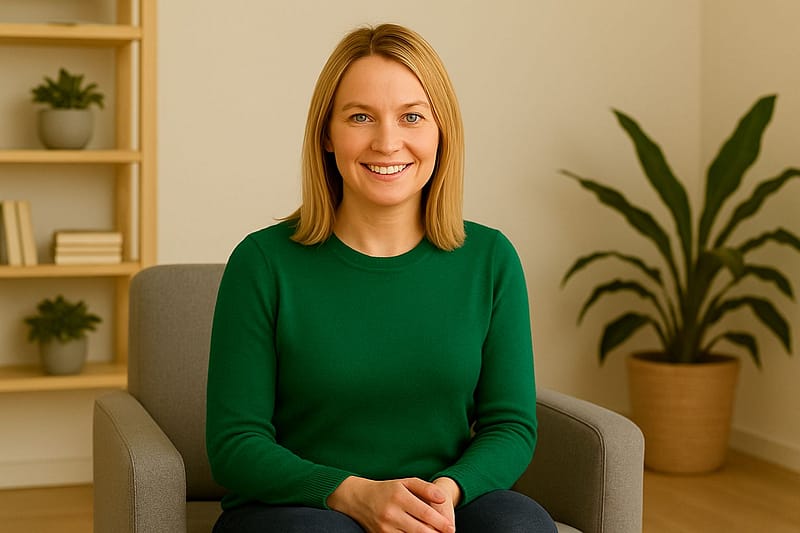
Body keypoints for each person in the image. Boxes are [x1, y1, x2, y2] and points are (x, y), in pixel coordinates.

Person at [206, 23, 557, 533]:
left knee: (521, 527)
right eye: (360, 117)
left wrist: (443, 494)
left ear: (441, 131)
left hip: (443, 497)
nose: (387, 142)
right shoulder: (261, 262)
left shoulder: (491, 258)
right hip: (302, 508)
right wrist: (351, 494)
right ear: (327, 133)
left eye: (411, 116)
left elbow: (511, 426)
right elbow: (235, 444)